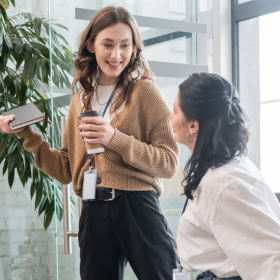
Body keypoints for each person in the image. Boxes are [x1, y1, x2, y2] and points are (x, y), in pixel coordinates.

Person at [1, 6, 179, 280]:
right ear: (91, 44)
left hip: (137, 206)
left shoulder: (145, 92)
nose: (116, 54)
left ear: (134, 49)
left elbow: (168, 164)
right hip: (93, 209)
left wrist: (114, 138)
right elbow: (65, 169)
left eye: (125, 45)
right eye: (107, 44)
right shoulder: (80, 100)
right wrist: (29, 136)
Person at [171, 73, 280, 280]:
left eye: (175, 111)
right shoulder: (222, 165)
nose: (171, 117)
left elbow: (272, 260)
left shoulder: (223, 182)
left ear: (193, 126)